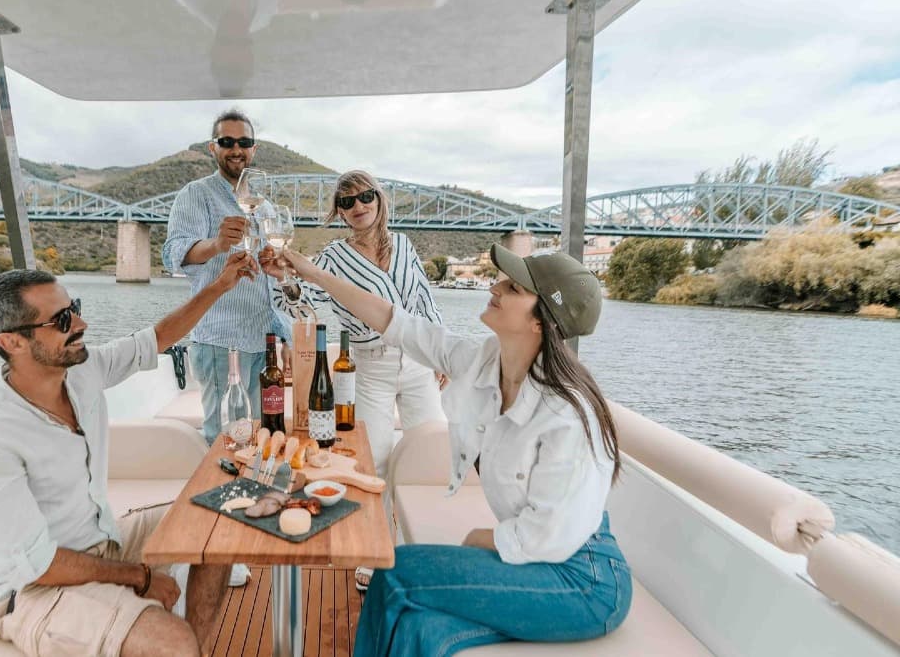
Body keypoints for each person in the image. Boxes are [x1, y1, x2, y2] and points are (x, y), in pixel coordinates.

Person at [278, 244, 630, 656]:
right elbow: (399, 324)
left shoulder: (567, 414)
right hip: (543, 565)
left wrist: (479, 538)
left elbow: (546, 537)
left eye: (514, 288)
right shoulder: (488, 362)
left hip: (581, 581)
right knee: (419, 628)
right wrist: (312, 273)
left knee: (396, 572)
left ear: (540, 323)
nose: (496, 287)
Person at [0, 251, 255, 657]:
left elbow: (157, 338)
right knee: (171, 641)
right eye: (61, 321)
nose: (80, 324)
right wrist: (141, 578)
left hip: (101, 544)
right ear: (13, 342)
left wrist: (220, 286)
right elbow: (40, 564)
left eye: (73, 309)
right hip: (31, 590)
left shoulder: (80, 371)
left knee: (219, 516)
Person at [260, 169, 447, 589]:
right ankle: (377, 550)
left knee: (430, 452)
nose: (358, 207)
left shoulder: (404, 246)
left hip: (418, 361)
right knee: (373, 458)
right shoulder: (331, 258)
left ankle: (422, 547)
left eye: (364, 197)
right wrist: (284, 280)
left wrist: (440, 354)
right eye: (346, 202)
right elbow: (300, 304)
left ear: (379, 200)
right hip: (371, 364)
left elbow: (424, 300)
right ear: (339, 213)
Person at [162, 108, 292, 449]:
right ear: (212, 148)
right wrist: (217, 244)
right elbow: (174, 253)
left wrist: (287, 335)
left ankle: (252, 500)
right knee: (225, 442)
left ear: (254, 149)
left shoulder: (264, 208)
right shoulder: (196, 194)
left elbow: (269, 283)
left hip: (262, 343)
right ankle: (215, 500)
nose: (237, 149)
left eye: (244, 142)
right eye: (227, 141)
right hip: (221, 340)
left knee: (261, 435)